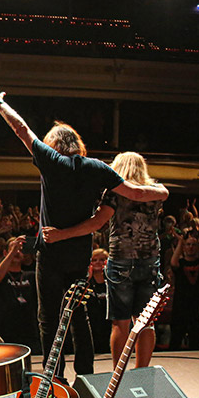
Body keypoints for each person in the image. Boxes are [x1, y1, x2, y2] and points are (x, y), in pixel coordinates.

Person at [0, 76, 168, 378]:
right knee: (78, 314)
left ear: (54, 144)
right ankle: (85, 375)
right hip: (80, 252)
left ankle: (54, 378)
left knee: (48, 318)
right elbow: (134, 194)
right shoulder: (96, 167)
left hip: (52, 252)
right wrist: (162, 192)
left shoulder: (50, 160)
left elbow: (21, 129)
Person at [43, 151, 165, 368]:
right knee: (146, 322)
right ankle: (142, 373)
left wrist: (61, 234)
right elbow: (144, 196)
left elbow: (96, 223)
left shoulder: (113, 194)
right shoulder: (158, 191)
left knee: (121, 322)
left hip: (121, 261)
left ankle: (119, 375)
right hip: (150, 261)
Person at [169, 224, 199, 349]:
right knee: (176, 337)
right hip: (180, 304)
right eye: (188, 245)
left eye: (193, 245)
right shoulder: (180, 263)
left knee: (196, 338)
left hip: (197, 303)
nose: (190, 247)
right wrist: (180, 242)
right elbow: (173, 262)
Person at [0, 236, 39, 350]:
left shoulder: (30, 275)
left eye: (20, 250)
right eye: (13, 248)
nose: (17, 252)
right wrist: (12, 252)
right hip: (5, 329)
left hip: (28, 329)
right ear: (6, 252)